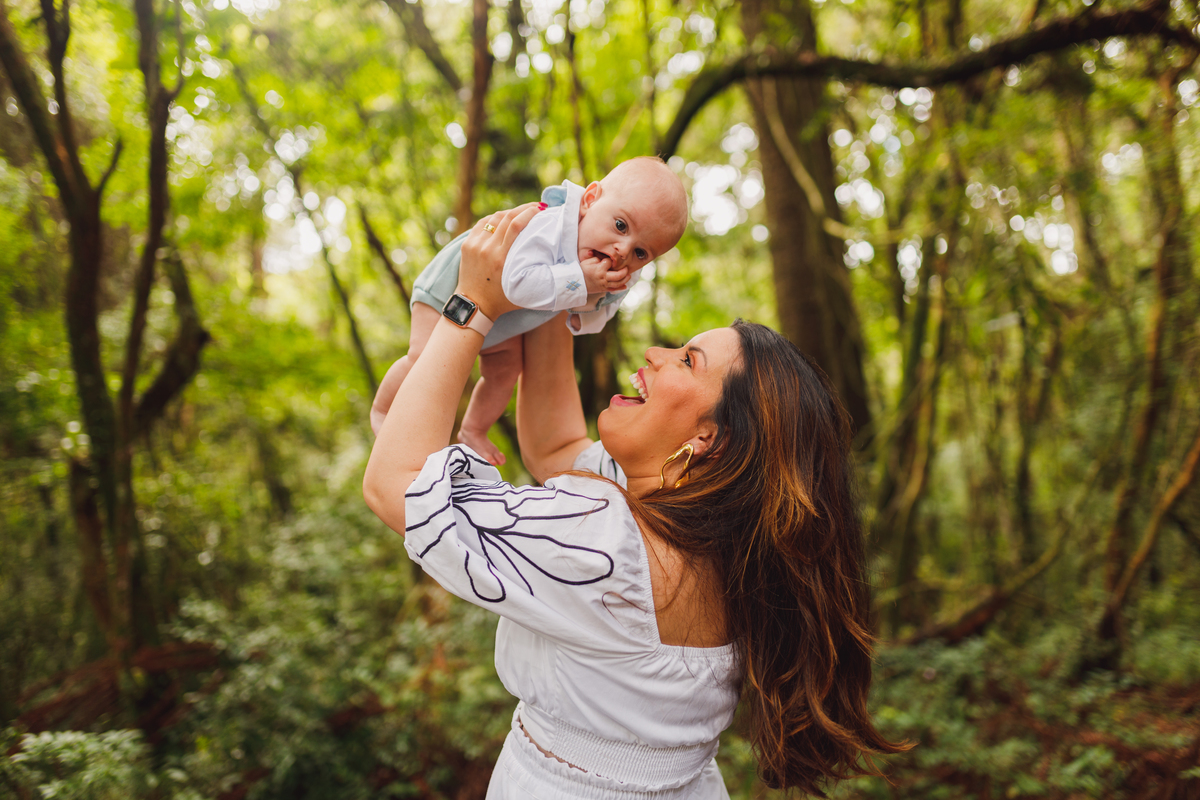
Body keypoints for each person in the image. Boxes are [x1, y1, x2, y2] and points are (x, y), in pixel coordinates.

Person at [363, 205, 908, 799]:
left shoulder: (603, 543)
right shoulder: (721, 535)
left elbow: (397, 485)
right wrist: (559, 270)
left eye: (687, 360)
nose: (654, 352)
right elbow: (555, 449)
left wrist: (472, 306)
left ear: (708, 439)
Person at [369, 156, 688, 466]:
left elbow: (586, 320)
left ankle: (474, 429)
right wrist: (581, 279)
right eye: (620, 225)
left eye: (641, 252)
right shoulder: (551, 225)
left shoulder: (621, 274)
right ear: (590, 200)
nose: (623, 251)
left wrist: (591, 301)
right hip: (450, 292)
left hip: (504, 320)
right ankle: (383, 411)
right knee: (423, 358)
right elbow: (515, 284)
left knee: (505, 372)